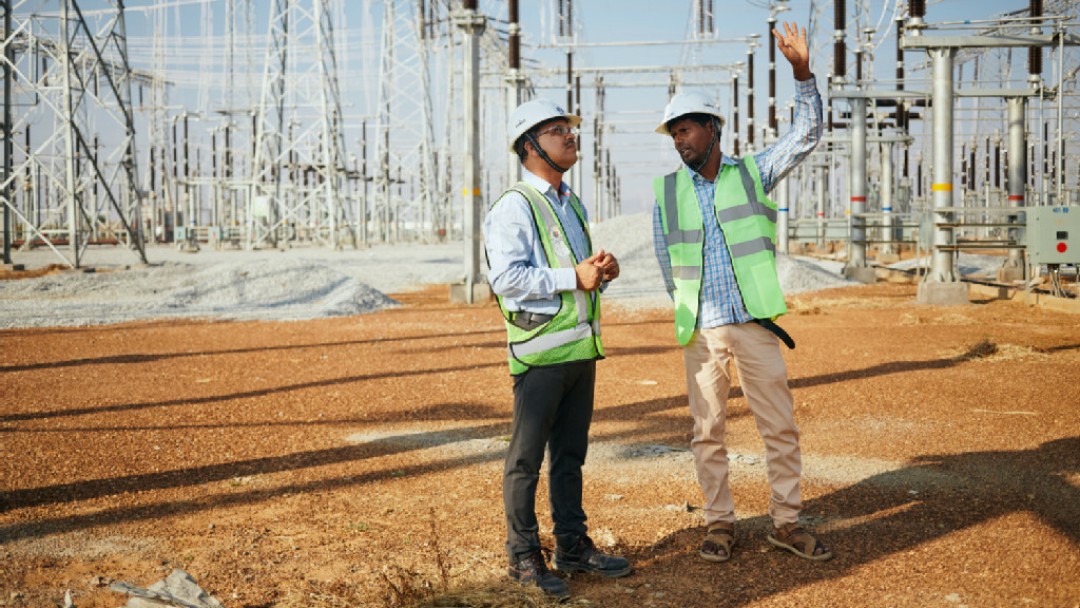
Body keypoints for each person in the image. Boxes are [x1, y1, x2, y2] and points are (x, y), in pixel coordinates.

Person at [651, 22, 832, 563]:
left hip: (753, 324)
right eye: (674, 133)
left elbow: (805, 136)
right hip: (702, 330)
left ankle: (787, 520)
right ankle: (719, 523)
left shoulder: (752, 173)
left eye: (687, 129)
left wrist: (801, 73)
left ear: (712, 128)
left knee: (778, 425)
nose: (680, 140)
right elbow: (667, 261)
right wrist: (686, 312)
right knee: (706, 431)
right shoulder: (666, 191)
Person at [483, 98, 631, 600]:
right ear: (529, 147)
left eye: (569, 129)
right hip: (540, 355)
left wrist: (599, 274)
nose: (570, 136)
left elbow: (578, 277)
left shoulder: (572, 203)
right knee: (525, 459)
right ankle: (523, 558)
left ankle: (571, 546)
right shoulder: (514, 206)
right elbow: (504, 279)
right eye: (556, 131)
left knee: (569, 455)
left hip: (578, 350)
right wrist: (575, 276)